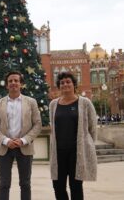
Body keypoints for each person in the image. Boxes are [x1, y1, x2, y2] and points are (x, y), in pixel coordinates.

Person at [0, 71, 42, 200]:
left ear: (21, 84)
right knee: (4, 184)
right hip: (5, 148)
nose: (13, 83)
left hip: (24, 147)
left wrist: (24, 140)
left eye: (16, 81)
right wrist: (6, 140)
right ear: (7, 85)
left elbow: (37, 125)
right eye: (10, 81)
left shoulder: (31, 102)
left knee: (25, 184)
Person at [49, 72, 97, 200]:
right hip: (58, 152)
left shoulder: (85, 103)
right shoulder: (53, 104)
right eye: (62, 82)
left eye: (68, 82)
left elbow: (93, 127)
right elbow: (53, 127)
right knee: (58, 186)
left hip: (77, 152)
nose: (65, 84)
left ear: (74, 84)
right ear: (59, 86)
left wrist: (88, 145)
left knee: (75, 186)